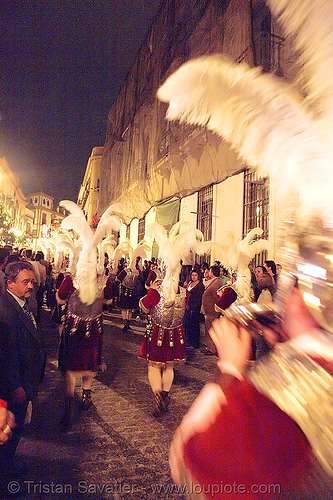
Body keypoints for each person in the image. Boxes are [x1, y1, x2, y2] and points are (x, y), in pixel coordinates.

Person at [169, 286, 333, 499]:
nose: (285, 297)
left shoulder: (284, 390)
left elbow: (186, 467)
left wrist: (228, 368)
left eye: (295, 287)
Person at [0, 261, 45, 467]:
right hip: (15, 387)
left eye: (32, 282)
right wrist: (15, 385)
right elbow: (7, 354)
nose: (30, 286)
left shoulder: (20, 304)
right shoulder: (6, 312)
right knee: (10, 431)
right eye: (25, 282)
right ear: (10, 283)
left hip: (25, 382)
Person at [201, 265, 223, 355]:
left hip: (212, 312)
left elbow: (216, 297)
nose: (208, 273)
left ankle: (212, 348)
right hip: (209, 311)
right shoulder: (214, 281)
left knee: (211, 330)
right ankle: (209, 347)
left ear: (212, 273)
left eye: (209, 271)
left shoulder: (217, 282)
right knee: (208, 329)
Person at [183, 269, 205, 349]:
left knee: (194, 326)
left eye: (195, 275)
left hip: (195, 308)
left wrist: (194, 307)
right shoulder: (190, 283)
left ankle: (195, 343)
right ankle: (188, 341)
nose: (194, 277)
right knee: (188, 325)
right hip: (188, 307)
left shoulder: (200, 285)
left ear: (198, 276)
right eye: (192, 275)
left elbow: (199, 298)